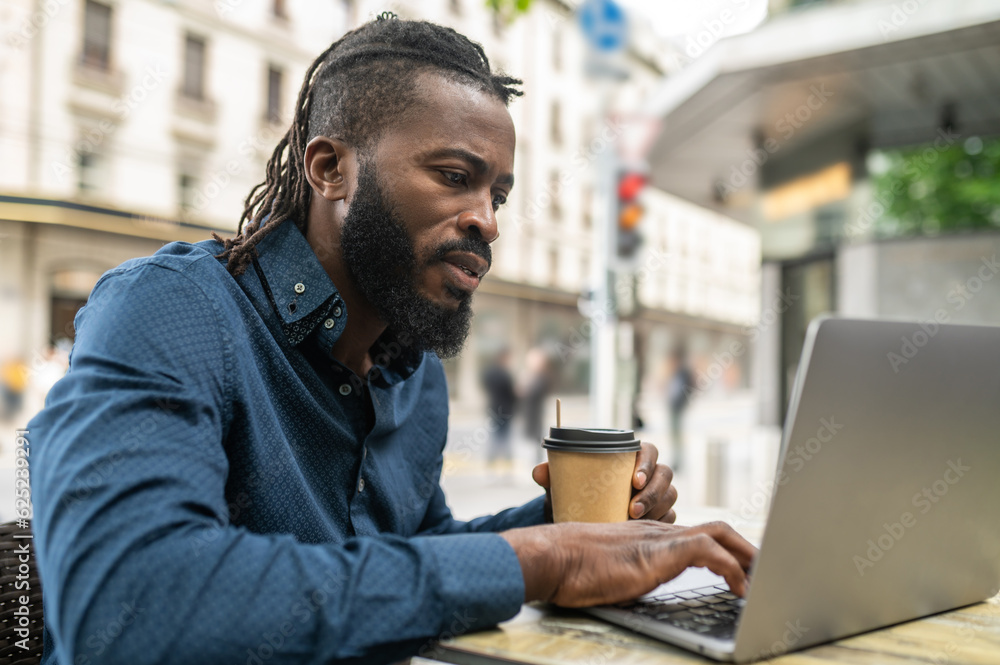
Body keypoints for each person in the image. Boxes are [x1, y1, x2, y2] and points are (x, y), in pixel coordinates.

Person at [28, 16, 755, 665]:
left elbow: (411, 552)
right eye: (454, 176)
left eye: (496, 194)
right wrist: (538, 559)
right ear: (329, 168)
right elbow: (124, 610)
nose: (488, 220)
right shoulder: (172, 308)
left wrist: (572, 523)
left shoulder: (413, 373)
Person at [481, 347, 517, 468]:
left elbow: (485, 385)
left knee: (495, 436)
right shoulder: (505, 375)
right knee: (505, 437)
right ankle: (507, 462)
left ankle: (491, 461)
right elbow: (512, 394)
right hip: (505, 410)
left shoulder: (490, 373)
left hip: (494, 409)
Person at [520, 346, 553, 465]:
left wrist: (525, 383)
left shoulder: (542, 377)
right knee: (529, 439)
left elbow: (529, 393)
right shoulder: (533, 375)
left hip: (536, 413)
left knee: (536, 439)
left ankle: (536, 462)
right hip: (528, 412)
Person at [667, 345, 696, 472]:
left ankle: (678, 462)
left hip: (678, 408)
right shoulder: (677, 373)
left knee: (677, 436)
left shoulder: (683, 374)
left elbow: (686, 391)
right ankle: (676, 460)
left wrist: (682, 404)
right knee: (674, 435)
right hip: (674, 407)